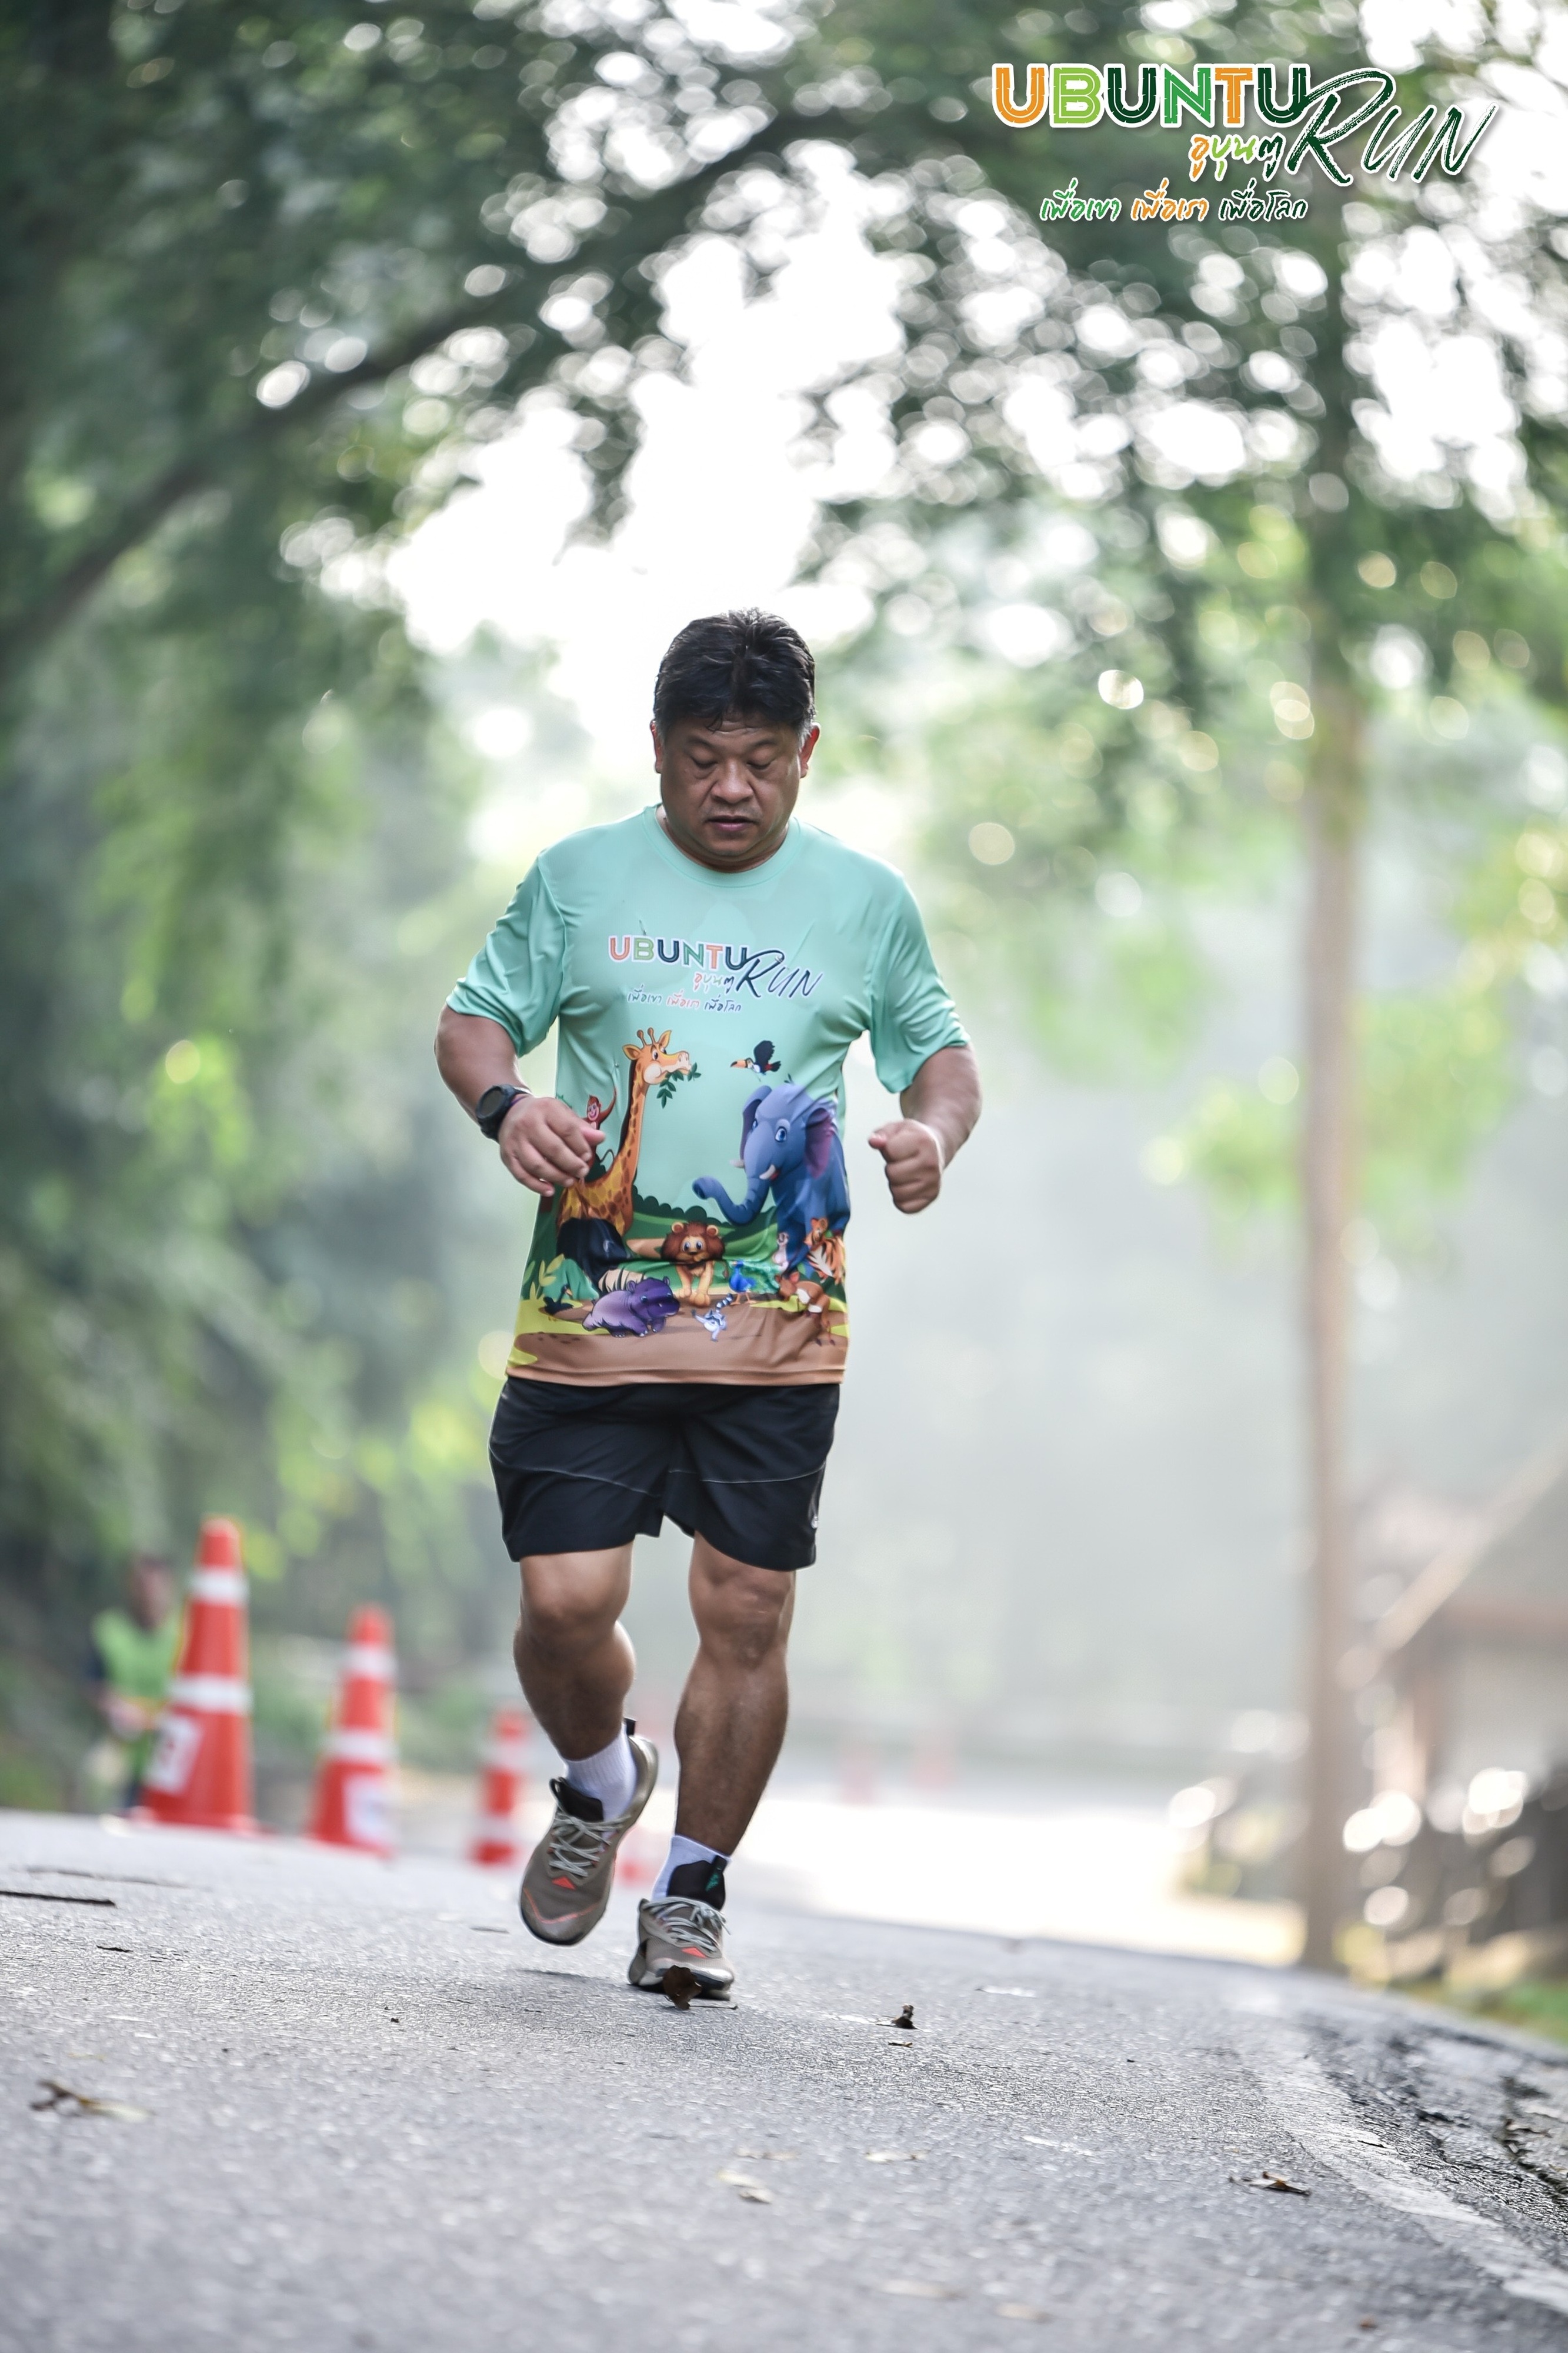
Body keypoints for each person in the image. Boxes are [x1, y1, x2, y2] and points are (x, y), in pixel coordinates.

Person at [435, 609, 980, 1998]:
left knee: (747, 1608)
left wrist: (930, 1133)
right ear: (657, 751)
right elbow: (472, 1021)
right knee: (564, 1600)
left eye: (758, 759)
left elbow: (940, 1059)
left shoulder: (863, 901)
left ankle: (689, 1895)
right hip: (589, 1315)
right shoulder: (577, 878)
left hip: (778, 1331)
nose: (729, 787)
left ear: (805, 752)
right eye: (699, 758)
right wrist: (507, 1105)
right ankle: (597, 1776)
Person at [85, 1552, 181, 1808]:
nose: (149, 1594)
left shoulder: (186, 1634)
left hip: (173, 1752)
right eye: (142, 1584)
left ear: (170, 1586)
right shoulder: (109, 1629)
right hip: (120, 1748)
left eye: (155, 1585)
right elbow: (94, 1685)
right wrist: (116, 1709)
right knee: (99, 1784)